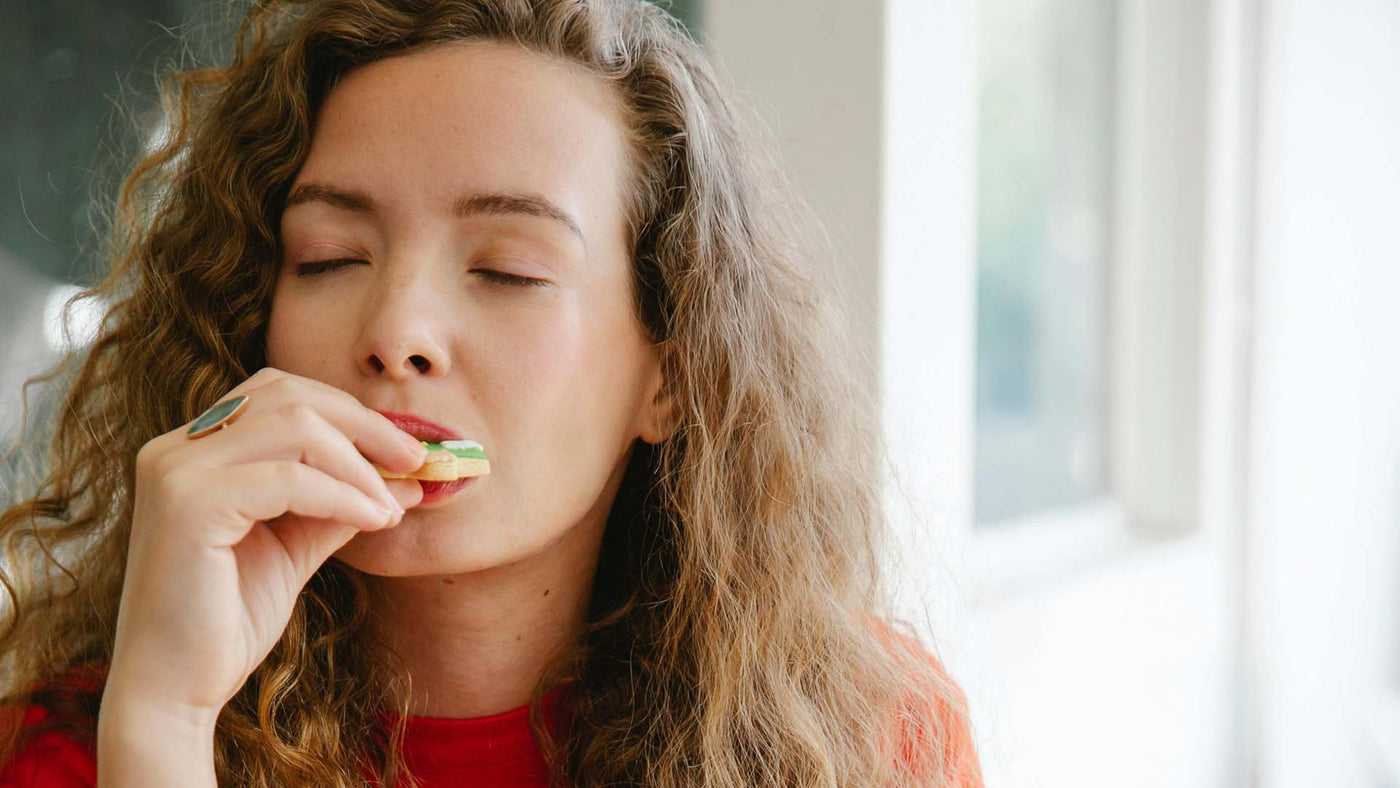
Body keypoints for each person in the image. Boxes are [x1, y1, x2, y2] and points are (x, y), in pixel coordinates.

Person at [0, 0, 985, 785]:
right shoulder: (82, 747)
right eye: (329, 258)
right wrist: (165, 724)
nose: (395, 333)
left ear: (672, 374)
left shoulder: (868, 741)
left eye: (507, 269)